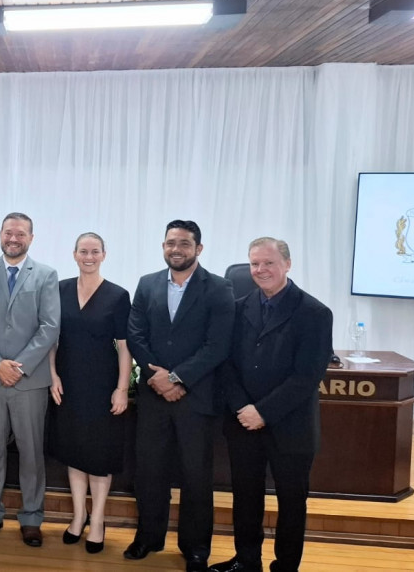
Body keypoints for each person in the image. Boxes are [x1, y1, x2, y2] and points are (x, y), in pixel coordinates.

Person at [210, 238, 332, 572]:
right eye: (254, 264)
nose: (260, 270)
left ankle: (286, 566)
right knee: (246, 498)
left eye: (268, 263)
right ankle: (247, 561)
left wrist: (263, 411)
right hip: (243, 423)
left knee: (292, 502)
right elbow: (226, 366)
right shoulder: (237, 307)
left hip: (291, 426)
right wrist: (242, 408)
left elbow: (306, 376)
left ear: (287, 264)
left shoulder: (314, 312)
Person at [124, 219, 234, 572]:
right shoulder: (147, 284)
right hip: (154, 397)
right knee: (149, 471)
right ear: (163, 246)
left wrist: (177, 378)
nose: (176, 249)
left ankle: (196, 548)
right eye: (171, 242)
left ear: (198, 249)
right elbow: (136, 333)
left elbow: (217, 345)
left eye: (184, 243)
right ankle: (149, 537)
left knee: (196, 476)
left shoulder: (219, 288)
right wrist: (158, 378)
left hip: (196, 397)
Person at [0, 212, 60, 547]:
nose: (14, 238)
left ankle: (31, 518)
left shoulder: (46, 275)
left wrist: (17, 367)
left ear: (31, 238)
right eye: (8, 232)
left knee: (31, 451)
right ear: (0, 234)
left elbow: (50, 327)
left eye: (20, 233)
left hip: (29, 381)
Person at [47, 232, 131, 554]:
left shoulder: (117, 295)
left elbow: (125, 348)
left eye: (95, 251)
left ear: (104, 255)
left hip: (102, 387)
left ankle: (97, 520)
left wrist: (122, 389)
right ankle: (78, 515)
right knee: (74, 452)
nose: (89, 256)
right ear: (74, 254)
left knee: (97, 456)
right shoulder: (60, 290)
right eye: (84, 251)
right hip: (67, 384)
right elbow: (52, 339)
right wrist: (52, 375)